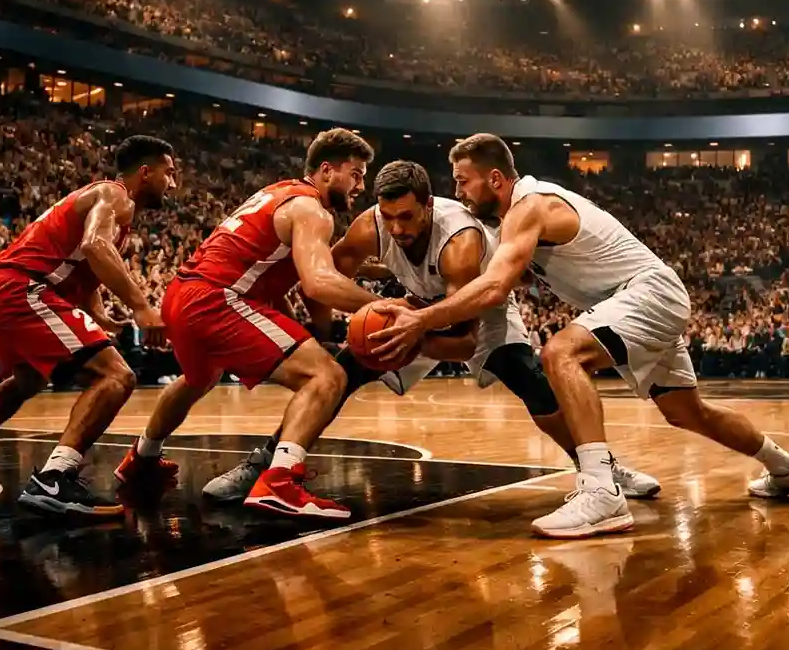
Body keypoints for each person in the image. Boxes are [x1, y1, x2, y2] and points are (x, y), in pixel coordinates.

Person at [370, 133, 789, 539]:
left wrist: (421, 321)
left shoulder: (531, 206)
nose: (458, 193)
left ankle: (600, 492)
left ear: (494, 179)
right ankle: (788, 469)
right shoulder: (516, 216)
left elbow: (493, 287)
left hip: (646, 293)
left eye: (461, 181)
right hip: (641, 298)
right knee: (688, 412)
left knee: (560, 353)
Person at [201, 160, 660, 504]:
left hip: (476, 306)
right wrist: (333, 331)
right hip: (413, 303)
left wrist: (413, 332)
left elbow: (462, 342)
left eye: (407, 217)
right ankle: (268, 462)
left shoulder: (460, 241)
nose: (396, 228)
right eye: (389, 217)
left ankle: (600, 470)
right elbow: (325, 277)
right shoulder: (371, 226)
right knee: (338, 371)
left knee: (530, 380)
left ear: (429, 205)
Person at [121, 129, 379, 519]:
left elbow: (273, 285)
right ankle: (280, 482)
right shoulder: (312, 210)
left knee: (198, 379)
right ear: (327, 170)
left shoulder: (278, 193)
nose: (361, 185)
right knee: (327, 377)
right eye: (356, 174)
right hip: (216, 299)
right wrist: (388, 306)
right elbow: (319, 283)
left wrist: (305, 335)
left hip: (183, 293)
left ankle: (142, 458)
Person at [0, 135, 177, 518]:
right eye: (169, 173)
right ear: (145, 172)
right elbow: (96, 247)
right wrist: (141, 307)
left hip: (2, 289)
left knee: (29, 380)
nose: (173, 183)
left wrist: (98, 315)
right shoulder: (116, 196)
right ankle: (54, 478)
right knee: (116, 376)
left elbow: (83, 268)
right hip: (23, 288)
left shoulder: (107, 205)